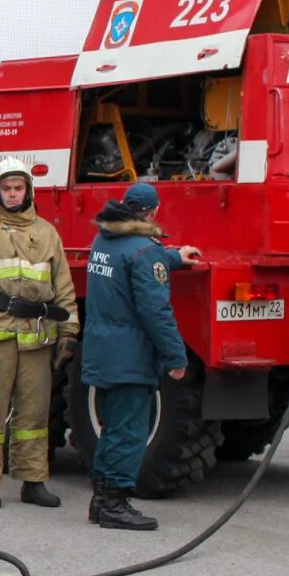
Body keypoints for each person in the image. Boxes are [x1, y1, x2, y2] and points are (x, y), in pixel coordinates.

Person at [0, 156, 80, 509]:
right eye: (6, 188)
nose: (12, 194)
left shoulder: (47, 233)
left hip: (37, 338)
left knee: (34, 415)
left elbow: (63, 287)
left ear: (29, 190)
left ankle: (33, 481)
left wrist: (69, 329)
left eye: (18, 187)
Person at [81, 180, 202, 531]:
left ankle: (101, 499)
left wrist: (172, 256)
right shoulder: (143, 251)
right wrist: (176, 357)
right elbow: (156, 311)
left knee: (112, 429)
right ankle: (116, 503)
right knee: (131, 431)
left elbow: (132, 260)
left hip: (102, 351)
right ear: (153, 211)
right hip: (130, 357)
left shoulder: (103, 240)